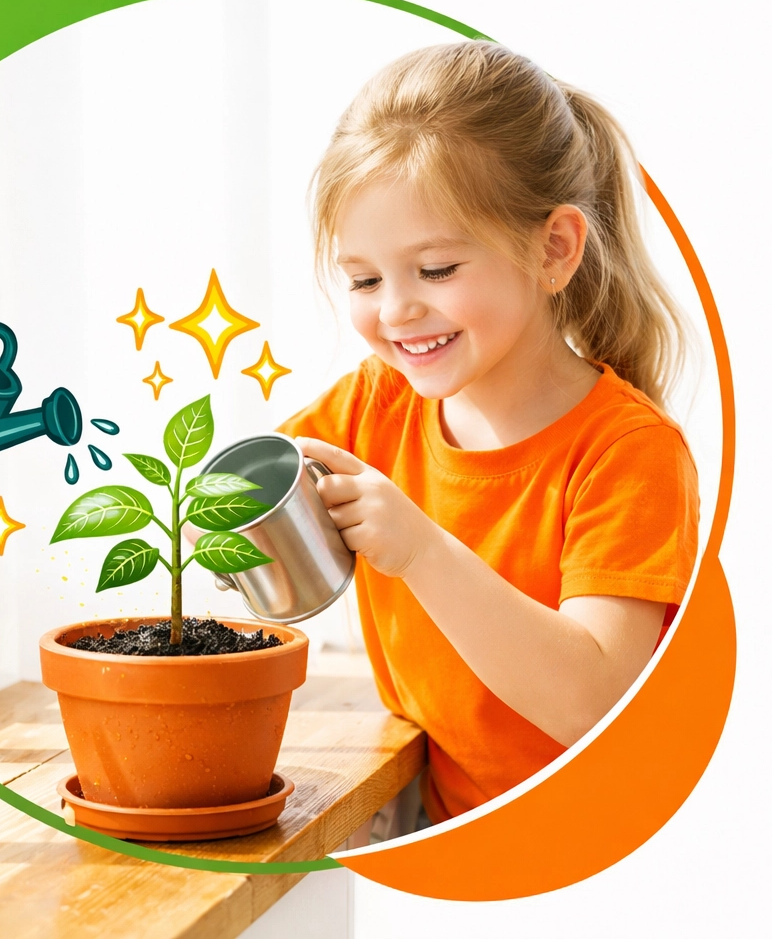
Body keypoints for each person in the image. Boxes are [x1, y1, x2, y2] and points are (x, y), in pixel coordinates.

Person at [278, 41, 699, 825]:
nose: (396, 310)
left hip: (597, 844)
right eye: (364, 279)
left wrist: (419, 550)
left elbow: (593, 704)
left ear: (553, 249)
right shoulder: (378, 402)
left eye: (436, 270)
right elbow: (248, 486)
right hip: (454, 828)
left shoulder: (627, 452)